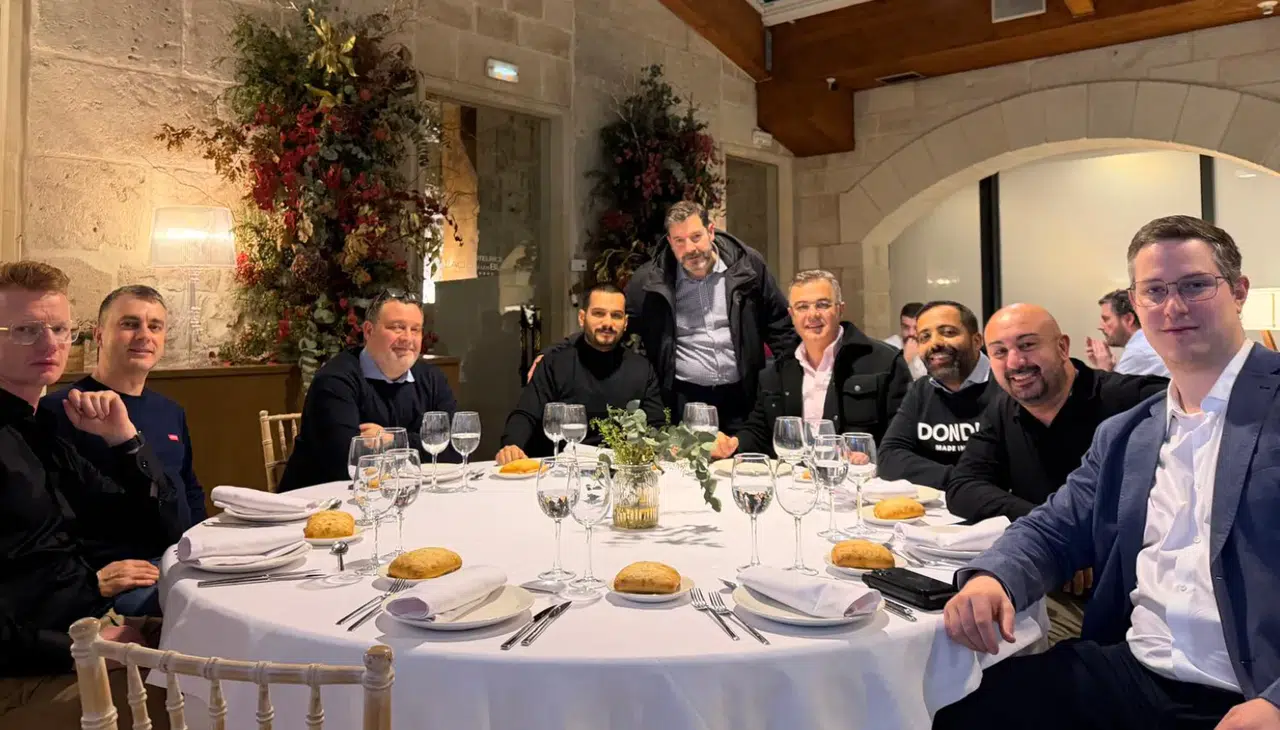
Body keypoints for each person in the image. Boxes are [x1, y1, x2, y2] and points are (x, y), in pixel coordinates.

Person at [935, 215, 1280, 730]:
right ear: (1136, 305)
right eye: (1155, 291)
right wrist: (993, 578)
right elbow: (1053, 529)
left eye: (1195, 285)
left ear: (1239, 292)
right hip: (1135, 672)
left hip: (1252, 690)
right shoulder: (1129, 432)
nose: (1174, 306)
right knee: (950, 708)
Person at [0, 261, 180, 728]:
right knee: (213, 694)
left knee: (231, 644)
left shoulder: (44, 427)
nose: (50, 344)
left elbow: (158, 525)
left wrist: (125, 439)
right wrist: (83, 648)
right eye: (26, 330)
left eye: (60, 329)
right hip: (28, 668)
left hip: (88, 624)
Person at [531, 200, 797, 433]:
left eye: (696, 237)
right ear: (670, 242)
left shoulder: (748, 266)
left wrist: (794, 380)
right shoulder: (649, 281)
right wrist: (555, 352)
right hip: (684, 400)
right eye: (679, 241)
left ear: (711, 231)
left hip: (743, 395)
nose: (690, 248)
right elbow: (614, 323)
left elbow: (780, 325)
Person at [40, 286, 203, 617]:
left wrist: (207, 550)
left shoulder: (171, 411)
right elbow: (49, 520)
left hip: (179, 564)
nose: (144, 335)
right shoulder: (61, 410)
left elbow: (190, 491)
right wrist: (90, 578)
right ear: (99, 335)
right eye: (130, 324)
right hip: (117, 584)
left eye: (155, 326)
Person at [715, 269, 911, 458]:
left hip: (862, 477)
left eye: (822, 305)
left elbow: (904, 436)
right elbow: (760, 431)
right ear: (792, 315)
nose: (812, 315)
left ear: (840, 309)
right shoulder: (776, 372)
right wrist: (732, 444)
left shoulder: (885, 362)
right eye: (802, 307)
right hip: (796, 477)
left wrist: (870, 458)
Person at [278, 289, 459, 492]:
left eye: (415, 329)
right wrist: (421, 444)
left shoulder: (432, 378)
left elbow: (455, 449)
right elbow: (347, 461)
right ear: (368, 331)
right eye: (397, 328)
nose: (408, 338)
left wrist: (393, 441)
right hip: (319, 502)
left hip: (401, 495)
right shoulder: (335, 380)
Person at [495, 283, 665, 463]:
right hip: (561, 470)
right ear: (582, 318)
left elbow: (656, 425)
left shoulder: (642, 368)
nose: (607, 323)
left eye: (616, 315)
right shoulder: (554, 364)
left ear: (625, 323)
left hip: (621, 470)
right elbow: (526, 414)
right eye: (598, 313)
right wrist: (512, 445)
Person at [878, 300, 998, 488]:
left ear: (976, 341)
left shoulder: (1005, 386)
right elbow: (889, 459)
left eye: (948, 332)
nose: (935, 343)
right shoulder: (921, 390)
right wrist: (961, 481)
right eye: (924, 337)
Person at [1086, 288, 1170, 376]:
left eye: (1106, 319)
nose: (1100, 327)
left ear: (1128, 319)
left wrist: (1103, 368)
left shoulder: (1136, 353)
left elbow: (1115, 385)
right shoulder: (1150, 342)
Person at [884, 301, 928, 380]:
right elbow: (884, 381)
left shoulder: (933, 346)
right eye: (906, 327)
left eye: (916, 328)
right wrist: (905, 359)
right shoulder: (888, 347)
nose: (911, 333)